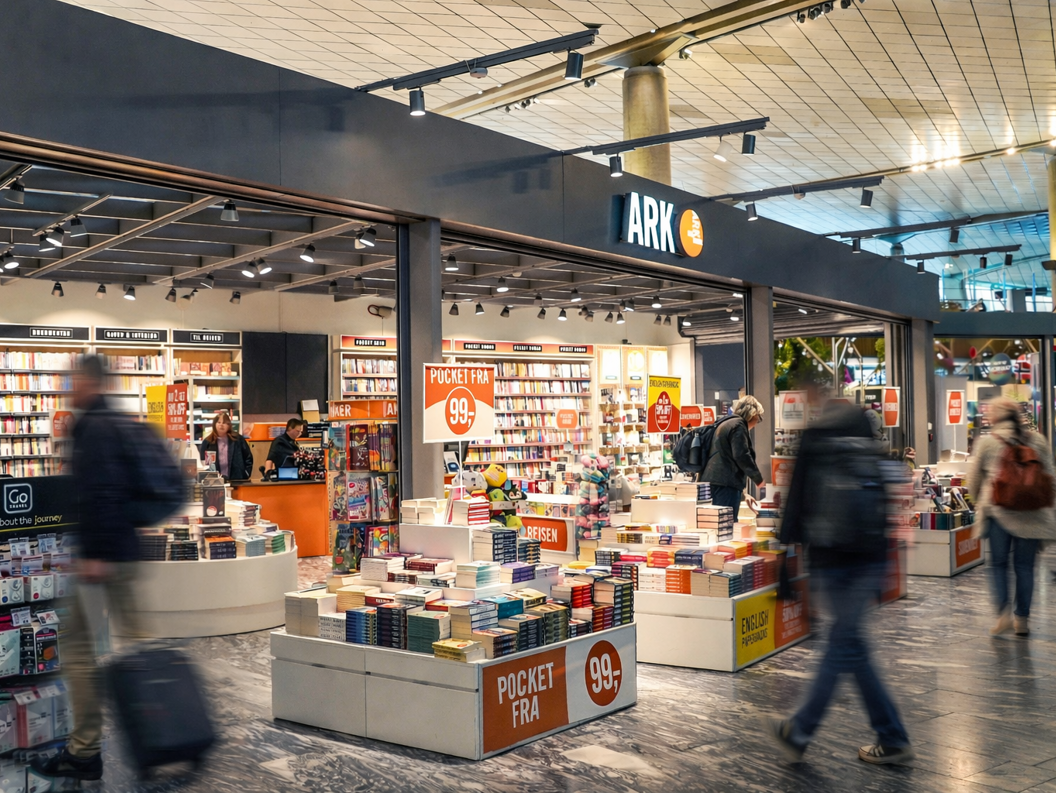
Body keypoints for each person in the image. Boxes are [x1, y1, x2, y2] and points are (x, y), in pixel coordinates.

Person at [762, 403, 913, 766]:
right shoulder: (868, 442)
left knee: (843, 645)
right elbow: (889, 509)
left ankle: (800, 731)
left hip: (830, 559)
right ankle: (892, 736)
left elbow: (795, 505)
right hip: (868, 560)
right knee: (850, 645)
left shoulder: (814, 442)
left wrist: (786, 556)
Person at [33, 355, 145, 781]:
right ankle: (155, 728)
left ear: (88, 381)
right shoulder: (115, 422)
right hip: (124, 552)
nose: (68, 387)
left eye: (72, 379)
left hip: (102, 555)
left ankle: (85, 750)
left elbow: (101, 492)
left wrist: (93, 553)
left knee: (77, 650)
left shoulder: (94, 428)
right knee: (136, 646)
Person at [967, 397, 1056, 637]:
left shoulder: (987, 443)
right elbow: (1050, 477)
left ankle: (1003, 615)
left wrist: (980, 500)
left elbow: (973, 481)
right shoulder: (1037, 440)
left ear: (995, 418)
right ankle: (1022, 620)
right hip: (1032, 516)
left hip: (998, 513)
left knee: (998, 564)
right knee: (1025, 567)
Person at [701, 395, 765, 511]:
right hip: (725, 485)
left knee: (719, 522)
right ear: (752, 414)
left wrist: (743, 494)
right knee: (728, 523)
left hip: (714, 482)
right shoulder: (738, 426)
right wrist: (758, 480)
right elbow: (741, 455)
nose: (757, 422)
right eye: (758, 418)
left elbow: (728, 459)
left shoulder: (727, 423)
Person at [199, 411, 253, 480]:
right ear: (214, 424)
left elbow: (248, 457)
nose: (221, 425)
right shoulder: (207, 442)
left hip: (237, 479)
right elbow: (203, 462)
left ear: (229, 425)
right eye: (219, 422)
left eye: (224, 423)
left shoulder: (238, 440)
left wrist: (246, 473)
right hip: (215, 481)